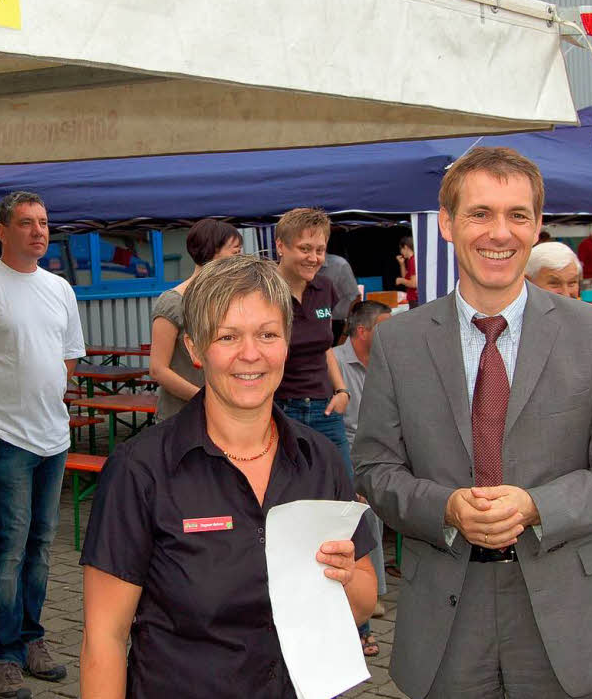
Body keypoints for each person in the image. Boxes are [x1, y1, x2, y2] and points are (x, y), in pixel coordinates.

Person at [353, 146, 592, 699]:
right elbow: (374, 468)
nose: (501, 232)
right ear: (446, 223)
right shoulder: (399, 341)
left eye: (518, 215)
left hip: (563, 617)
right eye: (480, 213)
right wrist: (443, 507)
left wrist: (538, 506)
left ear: (538, 226)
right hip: (445, 618)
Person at [79, 254, 377, 699]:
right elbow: (104, 638)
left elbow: (362, 602)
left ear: (287, 341)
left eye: (267, 334)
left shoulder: (321, 460)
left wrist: (345, 576)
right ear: (196, 349)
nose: (251, 354)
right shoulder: (141, 470)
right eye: (228, 336)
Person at [0, 191, 85, 699]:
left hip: (54, 437)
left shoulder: (60, 289)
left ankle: (32, 639)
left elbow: (70, 355)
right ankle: (2, 655)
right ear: (2, 231)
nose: (38, 231)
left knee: (41, 549)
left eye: (44, 223)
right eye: (26, 223)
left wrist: (46, 397)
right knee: (7, 549)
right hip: (2, 438)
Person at [273, 208, 353, 477]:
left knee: (343, 490)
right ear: (280, 246)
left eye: (320, 250)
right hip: (281, 409)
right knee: (289, 494)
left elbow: (325, 347)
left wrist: (342, 391)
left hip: (325, 409)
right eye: (305, 248)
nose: (313, 258)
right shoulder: (262, 292)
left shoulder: (325, 288)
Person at [331, 300, 392, 657]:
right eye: (385, 326)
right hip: (345, 451)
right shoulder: (334, 363)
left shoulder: (390, 361)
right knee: (365, 510)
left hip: (381, 450)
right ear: (363, 332)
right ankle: (365, 612)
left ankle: (373, 598)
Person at [149, 218, 241, 420]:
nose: (240, 259)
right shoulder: (173, 302)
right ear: (211, 250)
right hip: (181, 417)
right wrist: (206, 399)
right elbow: (158, 369)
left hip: (226, 416)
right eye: (235, 252)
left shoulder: (231, 300)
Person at [320, 252, 360, 345]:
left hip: (337, 326)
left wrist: (345, 334)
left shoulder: (339, 265)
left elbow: (356, 299)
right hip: (312, 325)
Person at [395, 236, 418, 307]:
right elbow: (406, 277)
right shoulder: (410, 260)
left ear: (405, 247)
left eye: (401, 249)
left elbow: (414, 284)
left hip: (415, 299)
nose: (401, 252)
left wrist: (401, 280)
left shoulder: (413, 260)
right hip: (412, 299)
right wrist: (402, 264)